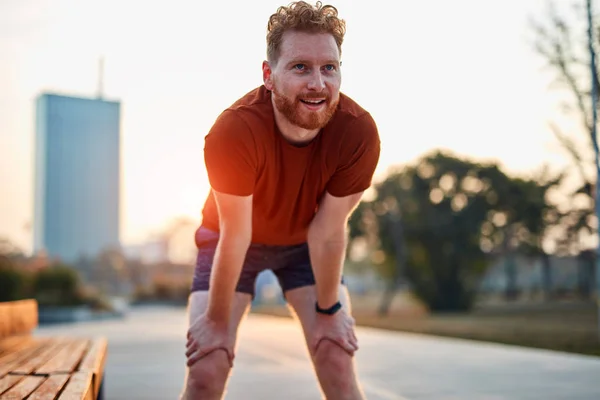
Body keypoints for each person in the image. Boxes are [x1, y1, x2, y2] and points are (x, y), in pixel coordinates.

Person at [181, 1, 380, 399]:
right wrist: (217, 324)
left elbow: (328, 231)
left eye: (329, 68)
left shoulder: (358, 133)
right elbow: (236, 235)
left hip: (307, 243)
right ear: (269, 75)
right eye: (300, 67)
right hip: (233, 240)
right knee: (208, 365)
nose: (318, 84)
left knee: (336, 356)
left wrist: (329, 313)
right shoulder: (233, 131)